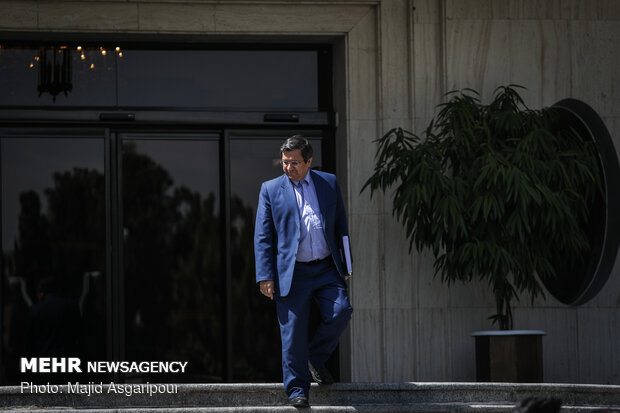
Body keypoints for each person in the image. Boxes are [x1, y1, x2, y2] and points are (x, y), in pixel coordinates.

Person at [254, 135, 353, 407]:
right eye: (285, 162)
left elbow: (340, 226)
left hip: (325, 268)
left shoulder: (328, 183)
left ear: (309, 161)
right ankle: (298, 390)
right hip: (291, 271)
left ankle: (315, 358)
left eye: (295, 162)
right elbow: (263, 236)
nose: (288, 168)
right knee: (293, 332)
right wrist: (265, 275)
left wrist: (346, 265)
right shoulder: (271, 189)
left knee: (341, 311)